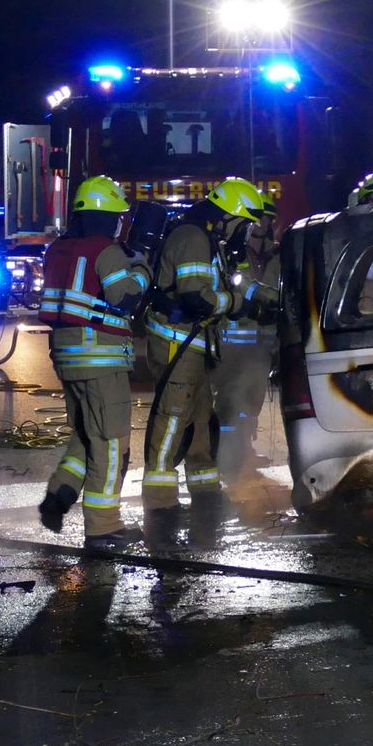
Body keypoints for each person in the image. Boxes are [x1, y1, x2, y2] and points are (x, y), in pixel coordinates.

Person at [141, 177, 267, 546]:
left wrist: (263, 298)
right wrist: (236, 305)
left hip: (195, 343)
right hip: (177, 342)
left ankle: (204, 486)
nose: (244, 232)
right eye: (243, 223)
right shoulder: (194, 237)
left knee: (199, 417)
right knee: (173, 417)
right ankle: (160, 498)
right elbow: (197, 297)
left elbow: (224, 287)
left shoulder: (208, 239)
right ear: (228, 217)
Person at [34, 176, 151, 549]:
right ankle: (103, 528)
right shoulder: (106, 250)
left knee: (87, 436)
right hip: (101, 359)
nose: (121, 222)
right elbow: (124, 296)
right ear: (108, 216)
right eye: (118, 215)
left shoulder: (58, 249)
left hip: (66, 358)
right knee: (112, 443)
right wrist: (143, 269)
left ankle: (59, 496)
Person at [215, 195, 282, 490]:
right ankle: (226, 456)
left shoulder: (277, 255)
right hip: (233, 340)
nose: (261, 224)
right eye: (257, 218)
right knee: (230, 400)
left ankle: (244, 451)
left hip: (262, 342)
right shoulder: (233, 254)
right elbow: (240, 285)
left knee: (251, 402)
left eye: (266, 218)